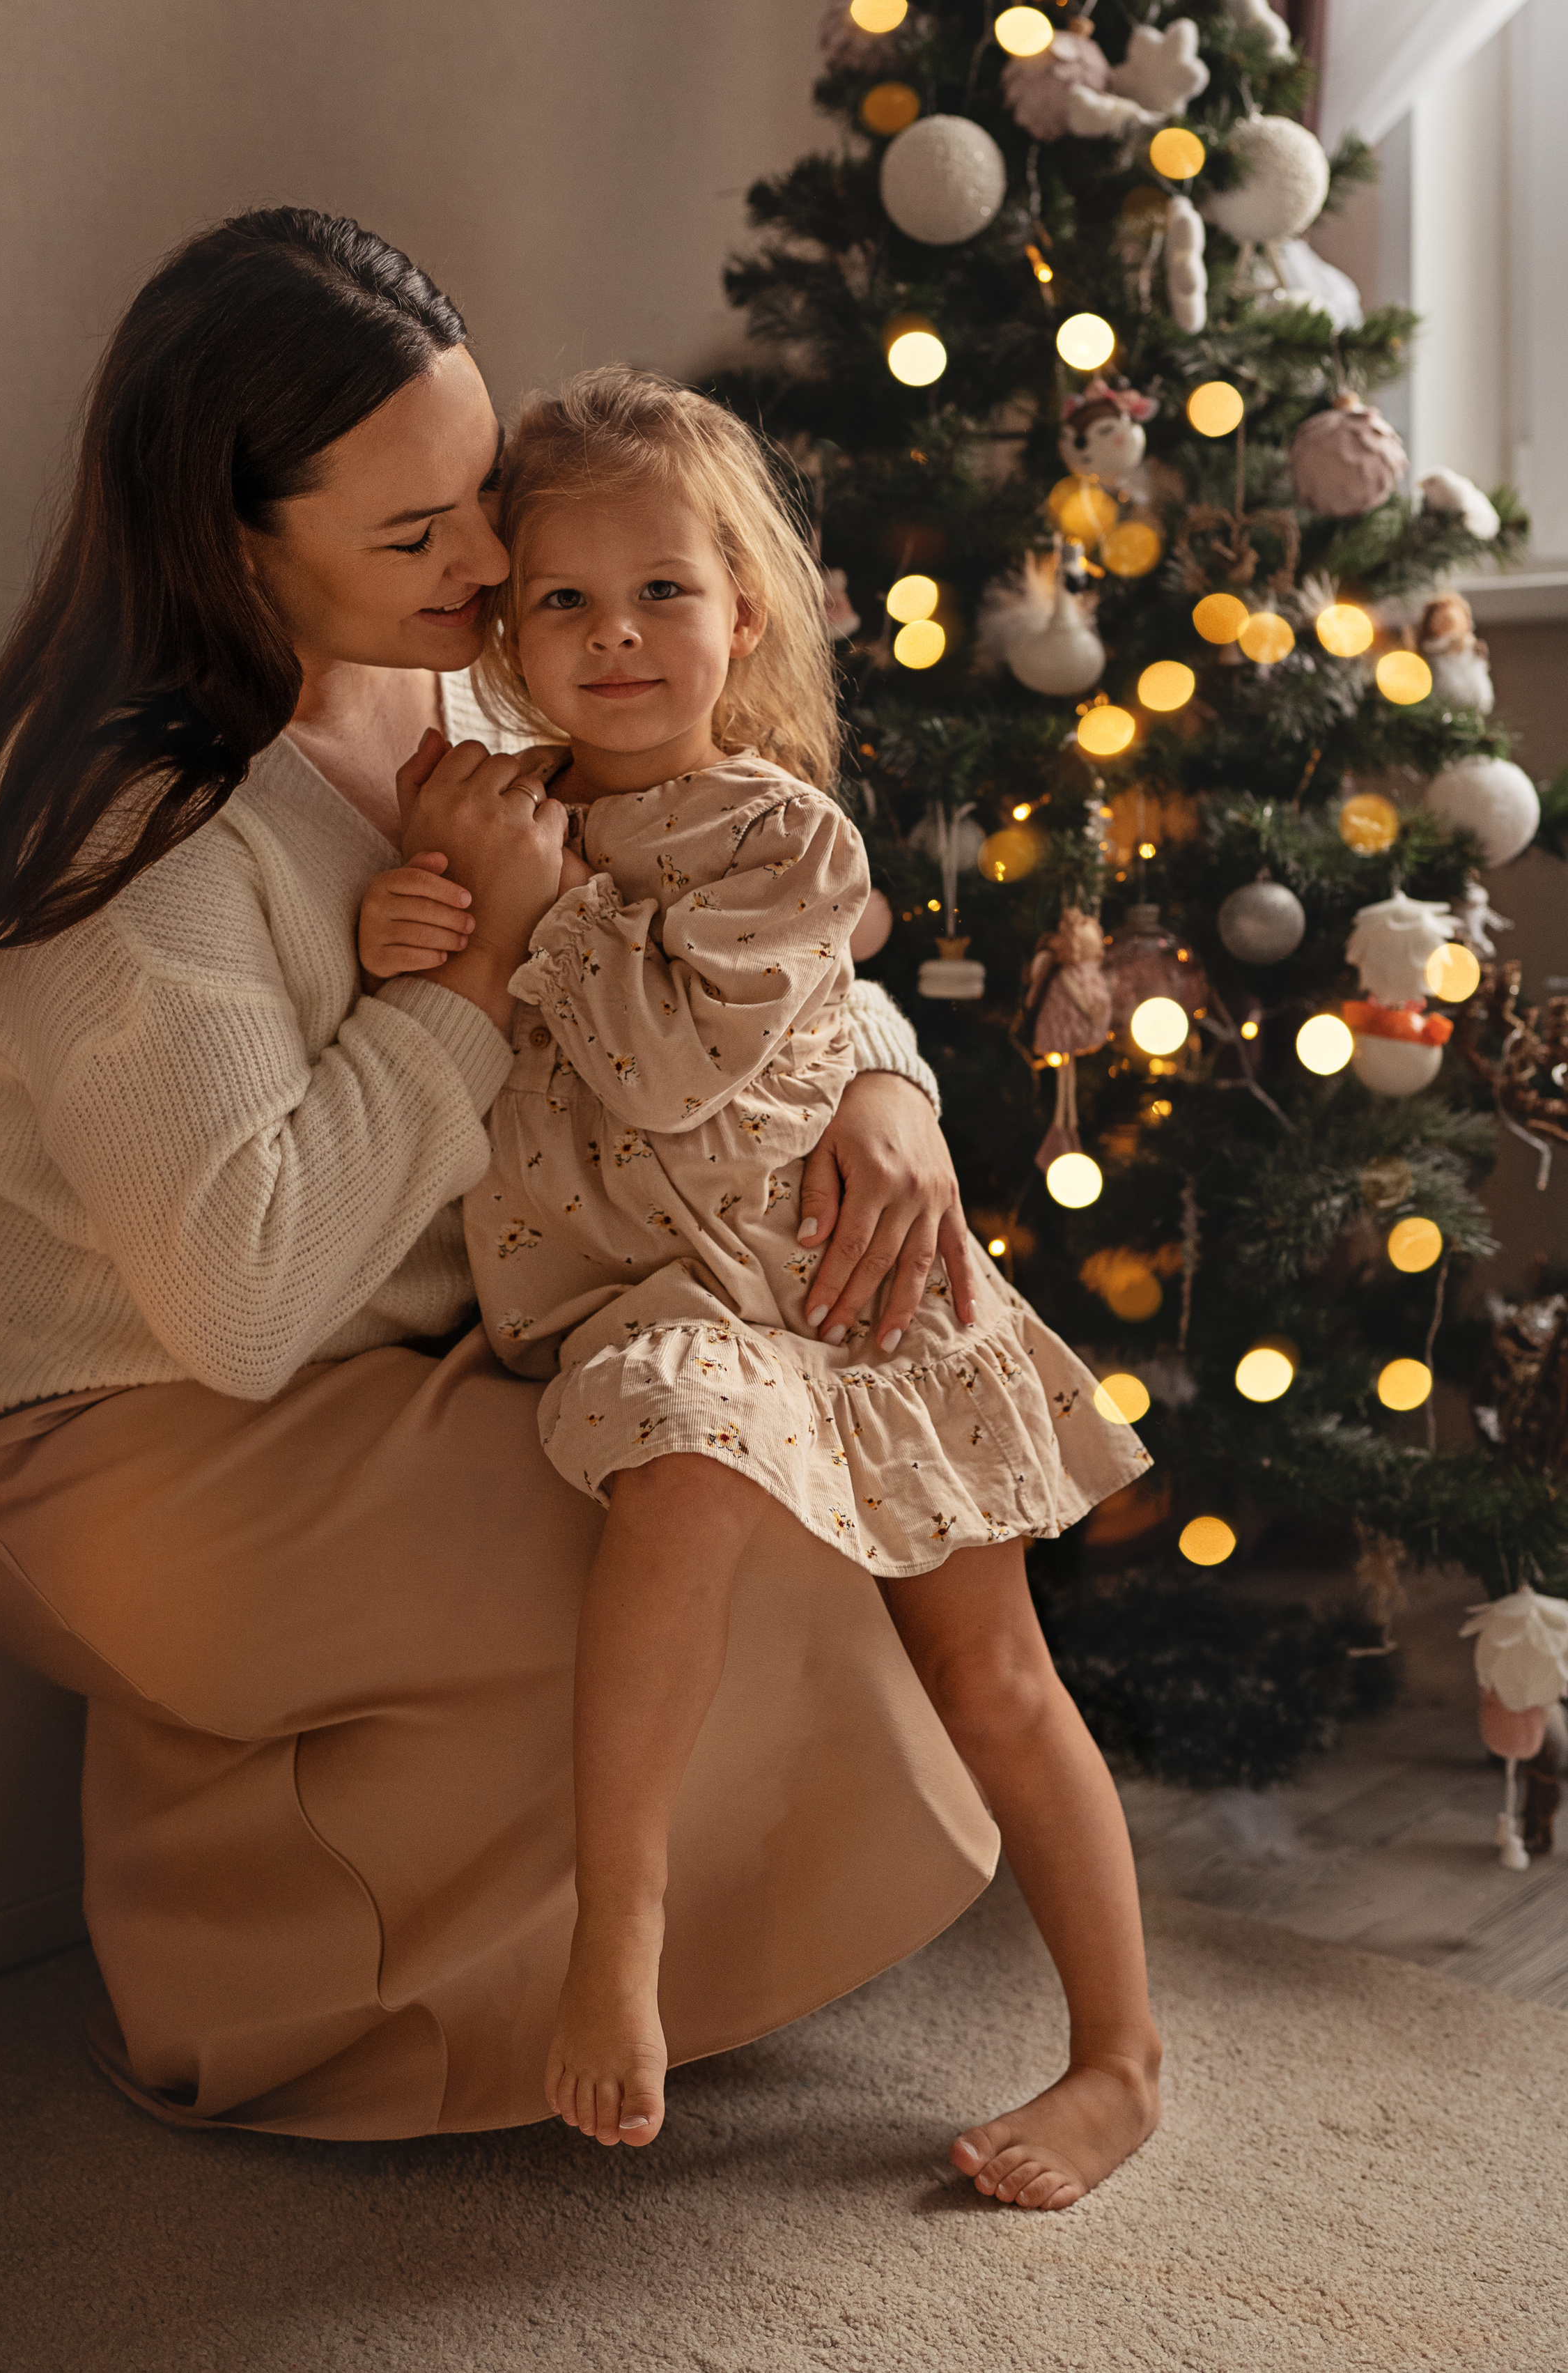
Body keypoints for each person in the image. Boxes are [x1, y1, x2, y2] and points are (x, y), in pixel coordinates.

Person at [0, 207, 1004, 2149]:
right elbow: (245, 1299)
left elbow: (748, 924)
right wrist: (484, 972)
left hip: (444, 1348)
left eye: (480, 497)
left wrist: (888, 1092)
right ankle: (306, 2001)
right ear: (233, 543)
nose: (494, 566)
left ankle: (598, 1973)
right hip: (132, 1423)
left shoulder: (479, 682)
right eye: (415, 538)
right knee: (721, 1520)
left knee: (775, 1463)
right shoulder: (131, 821)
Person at [364, 366, 1164, 2209]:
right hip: (670, 1312)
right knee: (689, 1452)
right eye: (564, 600)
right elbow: (429, 995)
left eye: (664, 592)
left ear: (745, 615)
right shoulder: (487, 804)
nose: (617, 637)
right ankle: (616, 1932)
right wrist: (406, 920)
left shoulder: (777, 840)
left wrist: (508, 908)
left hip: (847, 1291)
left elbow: (652, 1065)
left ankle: (1119, 2056)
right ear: (502, 631)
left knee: (1001, 1680)